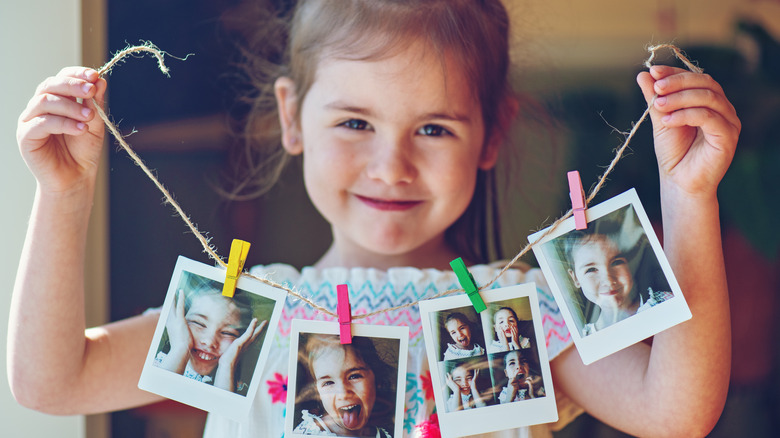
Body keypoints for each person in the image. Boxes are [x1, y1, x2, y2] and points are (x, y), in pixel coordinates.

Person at [8, 0, 739, 437]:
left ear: (491, 134)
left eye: (433, 129)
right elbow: (53, 381)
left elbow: (675, 414)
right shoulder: (241, 314)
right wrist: (63, 198)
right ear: (293, 118)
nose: (392, 166)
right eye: (356, 122)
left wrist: (689, 198)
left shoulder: (531, 315)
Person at [563, 216, 674, 336]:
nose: (608, 280)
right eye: (591, 269)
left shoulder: (665, 302)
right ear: (575, 278)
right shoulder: (587, 337)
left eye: (616, 262)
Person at [153, 278, 267, 394]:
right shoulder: (159, 364)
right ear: (179, 322)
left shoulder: (238, 385)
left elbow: (221, 410)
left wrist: (226, 366)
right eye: (199, 323)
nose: (209, 341)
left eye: (228, 333)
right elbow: (158, 394)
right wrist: (180, 348)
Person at [293, 334, 395, 437]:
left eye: (354, 376)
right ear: (317, 391)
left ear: (376, 378)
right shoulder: (309, 433)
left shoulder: (384, 434)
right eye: (328, 383)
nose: (343, 394)